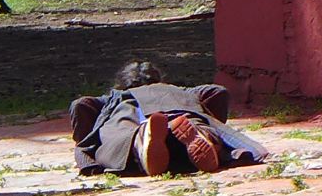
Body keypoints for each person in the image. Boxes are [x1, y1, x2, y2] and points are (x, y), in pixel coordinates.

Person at [70, 61, 270, 176]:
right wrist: (207, 113)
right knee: (200, 126)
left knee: (128, 138)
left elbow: (81, 105)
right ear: (160, 79)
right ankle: (206, 139)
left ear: (122, 83)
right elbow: (218, 92)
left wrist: (86, 138)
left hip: (132, 114)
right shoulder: (178, 91)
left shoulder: (119, 96)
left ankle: (143, 139)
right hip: (182, 112)